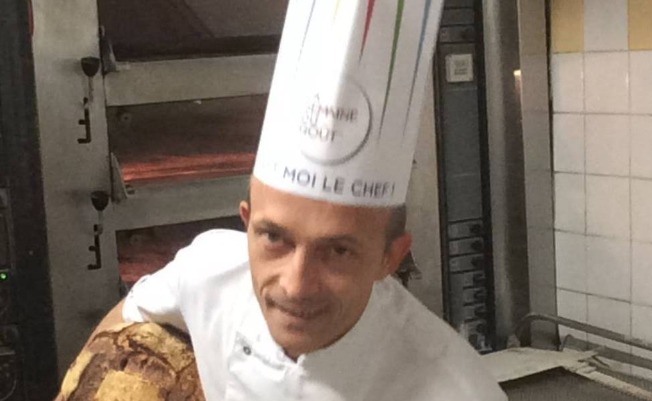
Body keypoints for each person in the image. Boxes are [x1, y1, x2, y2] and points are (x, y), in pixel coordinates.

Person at [66, 1, 507, 400]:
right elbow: (127, 317)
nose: (296, 286)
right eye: (274, 237)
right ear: (246, 222)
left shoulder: (457, 390)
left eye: (338, 251)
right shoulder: (209, 273)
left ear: (390, 258)